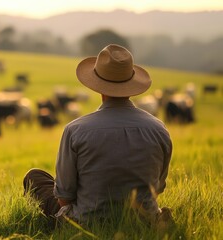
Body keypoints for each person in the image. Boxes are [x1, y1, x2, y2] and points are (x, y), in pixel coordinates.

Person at [23, 44, 173, 229]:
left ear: (98, 87)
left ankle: (47, 229)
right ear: (132, 85)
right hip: (143, 222)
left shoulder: (75, 130)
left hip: (87, 224)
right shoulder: (159, 129)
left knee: (34, 176)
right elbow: (157, 189)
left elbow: (64, 198)